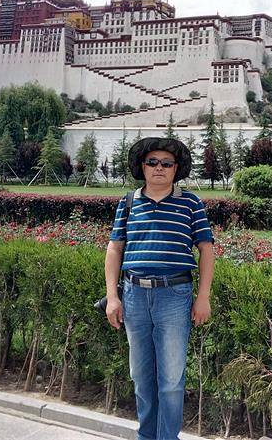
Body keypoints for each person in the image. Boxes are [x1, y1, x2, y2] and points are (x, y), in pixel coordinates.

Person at [104, 137, 215, 440]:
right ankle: (146, 436)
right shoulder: (128, 202)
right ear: (142, 166)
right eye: (152, 162)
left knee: (171, 381)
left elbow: (206, 249)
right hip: (134, 296)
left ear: (176, 169)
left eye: (167, 163)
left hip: (174, 297)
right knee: (141, 377)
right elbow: (114, 249)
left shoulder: (191, 203)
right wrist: (112, 297)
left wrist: (203, 297)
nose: (159, 168)